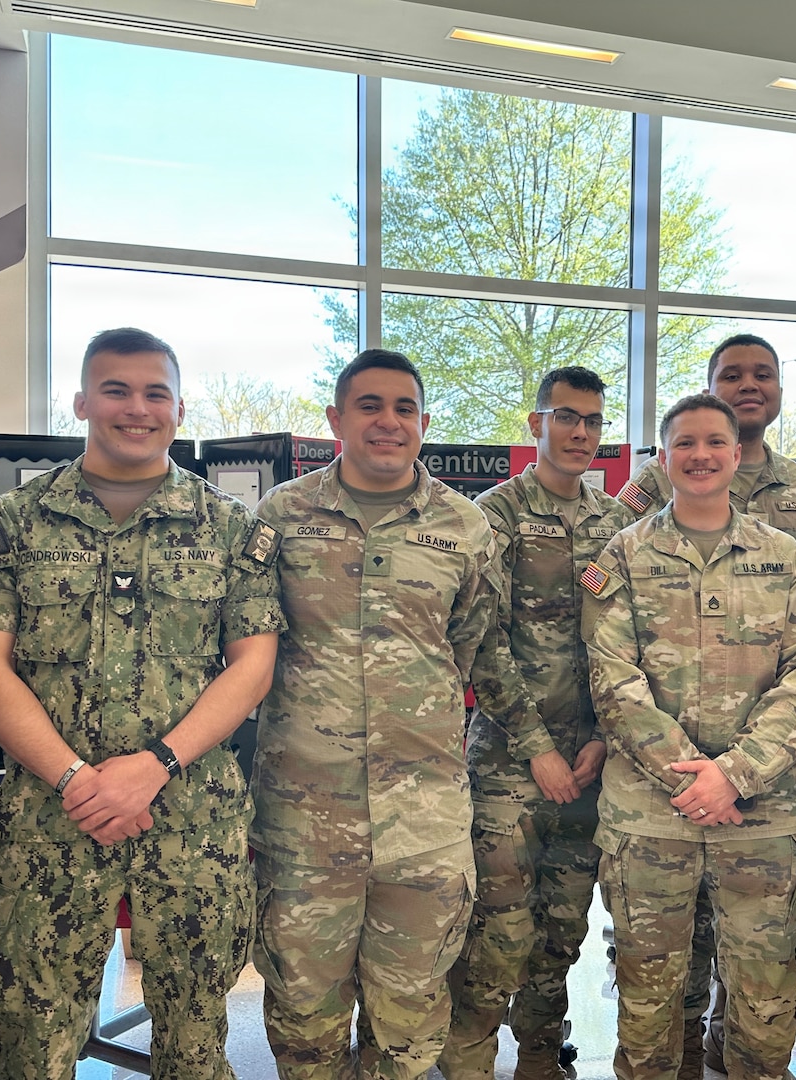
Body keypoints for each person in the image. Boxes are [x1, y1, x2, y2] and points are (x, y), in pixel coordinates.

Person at [0, 328, 282, 1080]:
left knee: (196, 1044)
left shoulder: (234, 533)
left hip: (193, 818)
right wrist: (77, 778)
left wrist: (157, 765)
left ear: (178, 407)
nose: (136, 408)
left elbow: (252, 667)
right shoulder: (9, 529)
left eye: (154, 393)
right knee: (33, 1047)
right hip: (51, 818)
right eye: (116, 390)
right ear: (80, 402)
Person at [251, 349, 497, 1080]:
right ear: (336, 419)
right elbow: (250, 647)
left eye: (404, 409)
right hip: (304, 815)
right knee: (303, 1015)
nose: (388, 422)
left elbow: (468, 644)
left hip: (423, 822)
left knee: (412, 1016)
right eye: (370, 406)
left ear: (423, 422)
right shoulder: (283, 516)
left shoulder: (466, 527)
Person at [584, 394, 796, 1080]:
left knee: (764, 1000)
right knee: (648, 999)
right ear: (663, 458)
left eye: (715, 442)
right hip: (650, 818)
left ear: (735, 452)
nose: (700, 455)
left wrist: (737, 774)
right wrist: (693, 779)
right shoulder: (621, 557)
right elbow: (612, 678)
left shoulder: (783, 557)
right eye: (684, 443)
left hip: (762, 816)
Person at [439, 366, 634, 1080]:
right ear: (535, 424)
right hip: (507, 763)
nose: (581, 432)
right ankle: (466, 1064)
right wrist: (537, 749)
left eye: (593, 421)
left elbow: (627, 641)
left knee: (560, 930)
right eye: (566, 417)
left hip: (590, 765)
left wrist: (604, 740)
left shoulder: (616, 525)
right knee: (498, 931)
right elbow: (478, 642)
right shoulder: (492, 516)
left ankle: (541, 1062)